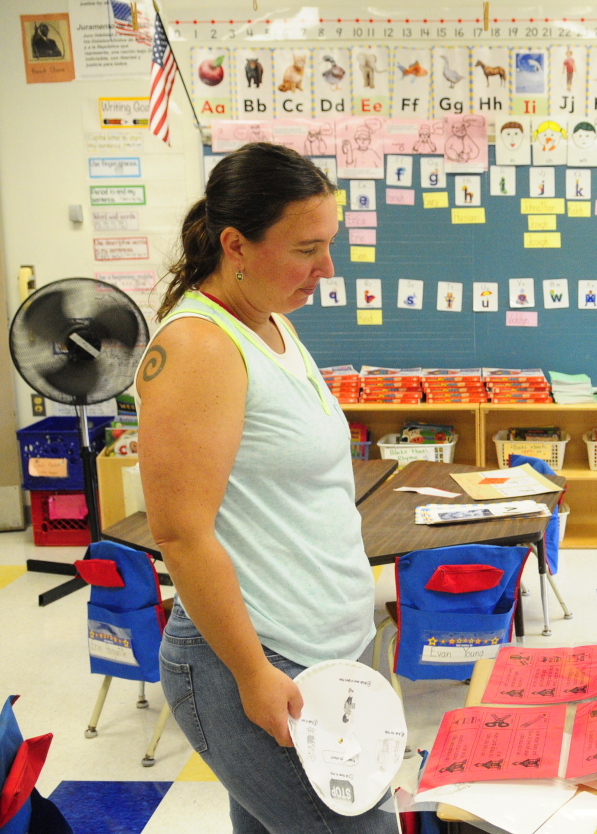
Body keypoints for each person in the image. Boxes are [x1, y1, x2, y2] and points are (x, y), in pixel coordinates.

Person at [137, 143, 395, 833]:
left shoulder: (271, 322)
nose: (327, 270)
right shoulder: (198, 347)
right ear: (236, 245)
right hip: (252, 659)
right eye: (307, 248)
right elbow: (181, 534)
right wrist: (252, 674)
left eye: (330, 244)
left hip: (323, 647)